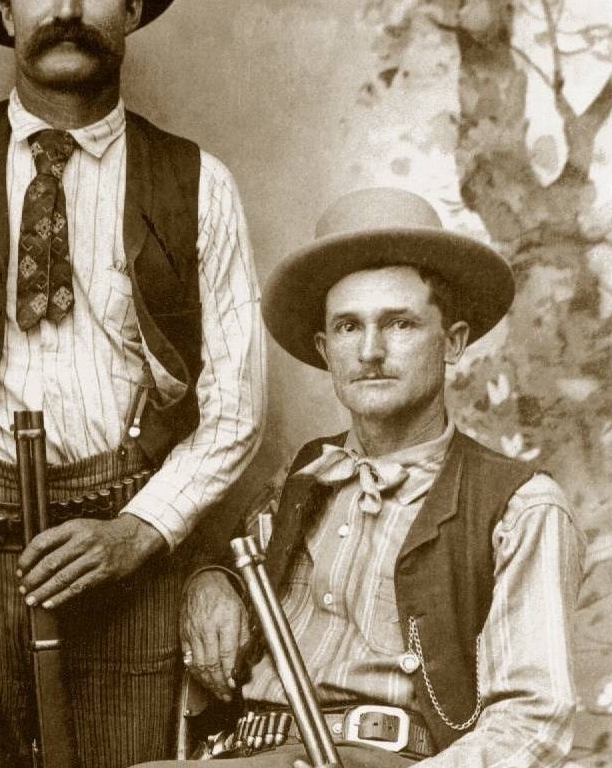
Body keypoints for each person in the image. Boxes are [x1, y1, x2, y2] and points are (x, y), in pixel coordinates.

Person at [0, 0, 263, 763]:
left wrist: (136, 533)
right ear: (5, 10)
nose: (66, 10)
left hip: (122, 563)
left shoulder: (200, 181)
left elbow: (236, 409)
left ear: (132, 9)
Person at [142, 188, 582, 767]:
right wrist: (210, 581)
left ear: (452, 342)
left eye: (400, 323)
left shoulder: (522, 507)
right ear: (326, 350)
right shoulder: (302, 476)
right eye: (348, 327)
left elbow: (534, 721)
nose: (370, 351)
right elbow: (237, 567)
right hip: (241, 752)